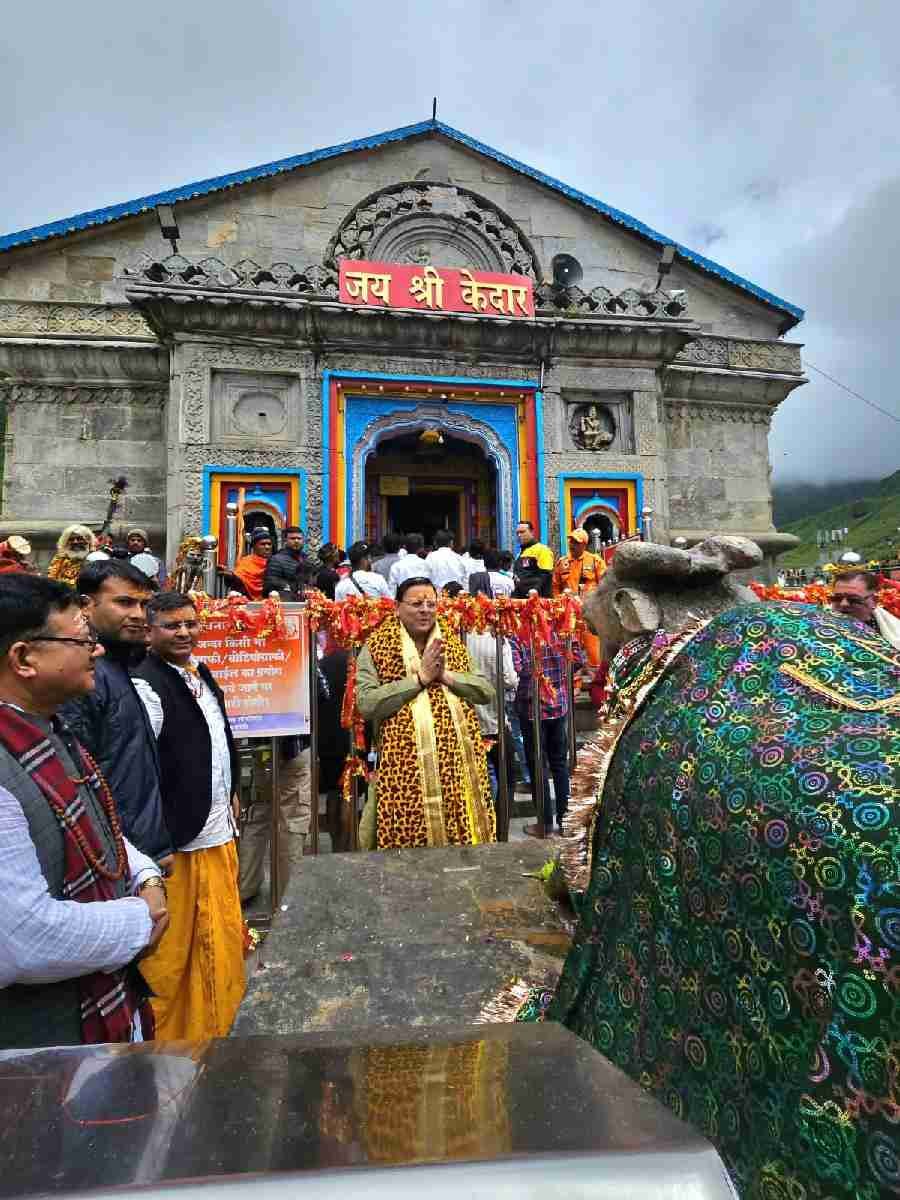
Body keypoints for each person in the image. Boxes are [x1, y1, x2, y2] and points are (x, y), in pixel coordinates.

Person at [0, 575, 169, 1050]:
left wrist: (146, 876)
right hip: (38, 1052)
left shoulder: (49, 731)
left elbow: (99, 824)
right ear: (24, 659)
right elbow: (22, 939)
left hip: (99, 1012)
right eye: (81, 641)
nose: (96, 651)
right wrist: (141, 917)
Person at [134, 591, 245, 1039]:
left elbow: (218, 740)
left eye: (190, 624)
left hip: (217, 828)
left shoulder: (200, 673)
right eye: (171, 626)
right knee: (174, 956)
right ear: (150, 631)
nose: (183, 633)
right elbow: (143, 770)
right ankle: (170, 1046)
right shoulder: (146, 685)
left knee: (220, 938)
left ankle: (218, 1030)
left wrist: (231, 790)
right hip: (177, 842)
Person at [356, 577, 495, 849]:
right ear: (397, 607)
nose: (425, 610)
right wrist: (419, 680)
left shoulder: (450, 644)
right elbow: (367, 704)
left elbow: (485, 691)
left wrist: (446, 676)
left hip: (457, 773)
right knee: (407, 853)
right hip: (403, 777)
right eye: (417, 604)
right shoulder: (375, 647)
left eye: (431, 604)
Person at [60, 560, 172, 866]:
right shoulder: (84, 674)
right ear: (86, 605)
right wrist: (134, 862)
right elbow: (76, 785)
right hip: (111, 859)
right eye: (124, 603)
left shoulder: (117, 666)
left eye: (144, 605)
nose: (138, 614)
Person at [512, 632, 583, 837]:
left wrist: (537, 677)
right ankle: (565, 822)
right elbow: (577, 659)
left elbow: (514, 668)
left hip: (532, 710)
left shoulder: (520, 632)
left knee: (538, 765)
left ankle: (544, 824)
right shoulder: (564, 627)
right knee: (560, 765)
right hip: (558, 705)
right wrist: (559, 677)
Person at [465, 626, 518, 804]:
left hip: (471, 723)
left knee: (482, 779)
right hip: (495, 722)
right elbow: (509, 680)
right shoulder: (498, 640)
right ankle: (500, 820)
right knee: (506, 779)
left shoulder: (461, 638)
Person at [552, 527, 606, 667]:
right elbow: (555, 587)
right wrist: (559, 606)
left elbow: (605, 586)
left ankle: (595, 675)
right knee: (570, 651)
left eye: (576, 542)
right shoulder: (562, 563)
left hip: (589, 615)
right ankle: (572, 678)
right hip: (568, 615)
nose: (572, 544)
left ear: (584, 544)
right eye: (571, 541)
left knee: (593, 651)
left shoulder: (595, 561)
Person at [830, 569, 900, 648]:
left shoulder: (895, 632)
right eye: (837, 598)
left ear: (874, 601)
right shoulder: (821, 624)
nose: (844, 604)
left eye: (853, 599)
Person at [513, 520, 554, 598]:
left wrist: (535, 589)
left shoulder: (542, 550)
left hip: (538, 598)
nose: (519, 535)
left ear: (532, 532)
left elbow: (546, 574)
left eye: (522, 532)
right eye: (517, 533)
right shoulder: (520, 553)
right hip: (522, 597)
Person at [263, 527, 307, 599]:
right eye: (292, 538)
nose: (296, 541)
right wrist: (289, 587)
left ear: (303, 540)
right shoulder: (276, 559)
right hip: (285, 602)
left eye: (299, 538)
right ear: (285, 540)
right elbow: (270, 584)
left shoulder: (305, 558)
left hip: (307, 602)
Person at [233, 527, 274, 599]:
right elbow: (239, 579)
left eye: (269, 544)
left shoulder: (276, 562)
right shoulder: (245, 562)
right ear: (254, 546)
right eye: (263, 544)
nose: (267, 547)